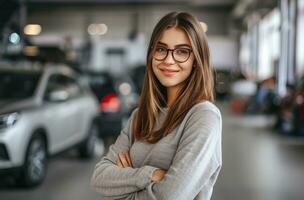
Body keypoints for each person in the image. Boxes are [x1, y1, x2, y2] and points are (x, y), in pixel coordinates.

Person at [91, 12, 222, 200]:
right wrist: (149, 174)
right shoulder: (139, 116)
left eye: (182, 51)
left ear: (196, 60)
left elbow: (169, 197)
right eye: (161, 49)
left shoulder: (203, 116)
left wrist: (123, 182)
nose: (168, 60)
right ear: (152, 53)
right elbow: (99, 178)